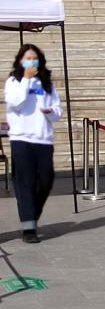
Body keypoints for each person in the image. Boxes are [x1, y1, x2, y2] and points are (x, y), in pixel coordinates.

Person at [5, 44, 63, 243]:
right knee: (26, 182)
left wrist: (51, 112)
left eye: (34, 58)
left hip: (43, 138)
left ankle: (31, 215)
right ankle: (29, 228)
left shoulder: (46, 83)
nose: (32, 61)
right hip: (21, 139)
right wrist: (26, 80)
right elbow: (15, 102)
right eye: (28, 58)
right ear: (20, 60)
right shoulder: (14, 81)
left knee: (46, 180)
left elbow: (58, 110)